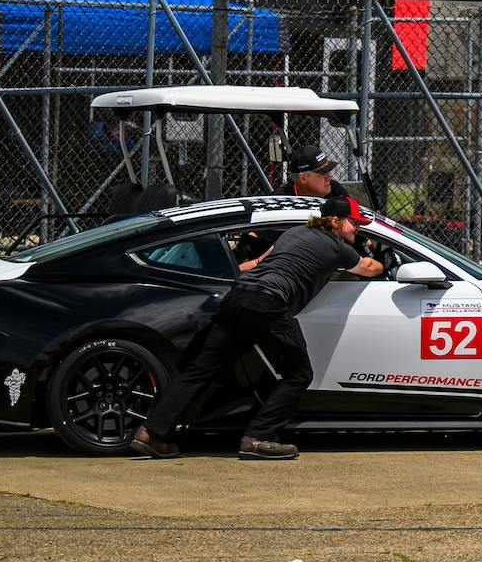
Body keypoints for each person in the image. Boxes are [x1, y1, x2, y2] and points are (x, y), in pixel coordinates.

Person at [132, 194, 383, 461]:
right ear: (335, 221)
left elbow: (259, 264)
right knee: (298, 374)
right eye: (354, 223)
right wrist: (382, 261)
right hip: (269, 302)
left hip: (240, 295)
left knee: (201, 369)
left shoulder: (294, 233)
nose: (358, 229)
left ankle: (150, 433)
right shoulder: (337, 247)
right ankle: (259, 437)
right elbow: (369, 268)